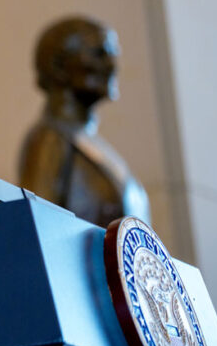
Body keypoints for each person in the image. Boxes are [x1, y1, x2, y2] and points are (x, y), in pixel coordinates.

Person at [18, 16, 150, 227]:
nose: (112, 65)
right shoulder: (50, 139)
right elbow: (37, 227)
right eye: (99, 54)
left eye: (112, 55)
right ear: (58, 66)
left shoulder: (90, 145)